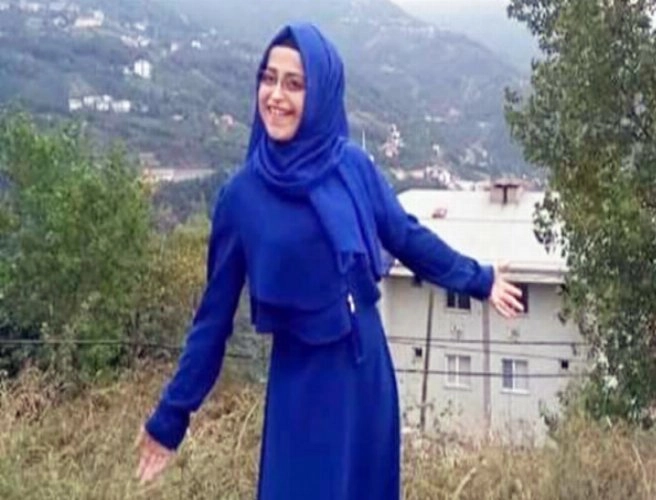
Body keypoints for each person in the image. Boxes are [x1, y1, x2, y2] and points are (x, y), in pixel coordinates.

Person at [135, 21, 524, 500]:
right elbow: (212, 322)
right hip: (302, 383)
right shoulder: (241, 198)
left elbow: (406, 236)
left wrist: (480, 279)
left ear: (320, 93)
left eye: (294, 84)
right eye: (268, 78)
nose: (276, 96)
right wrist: (171, 416)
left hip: (366, 371)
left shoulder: (352, 167)